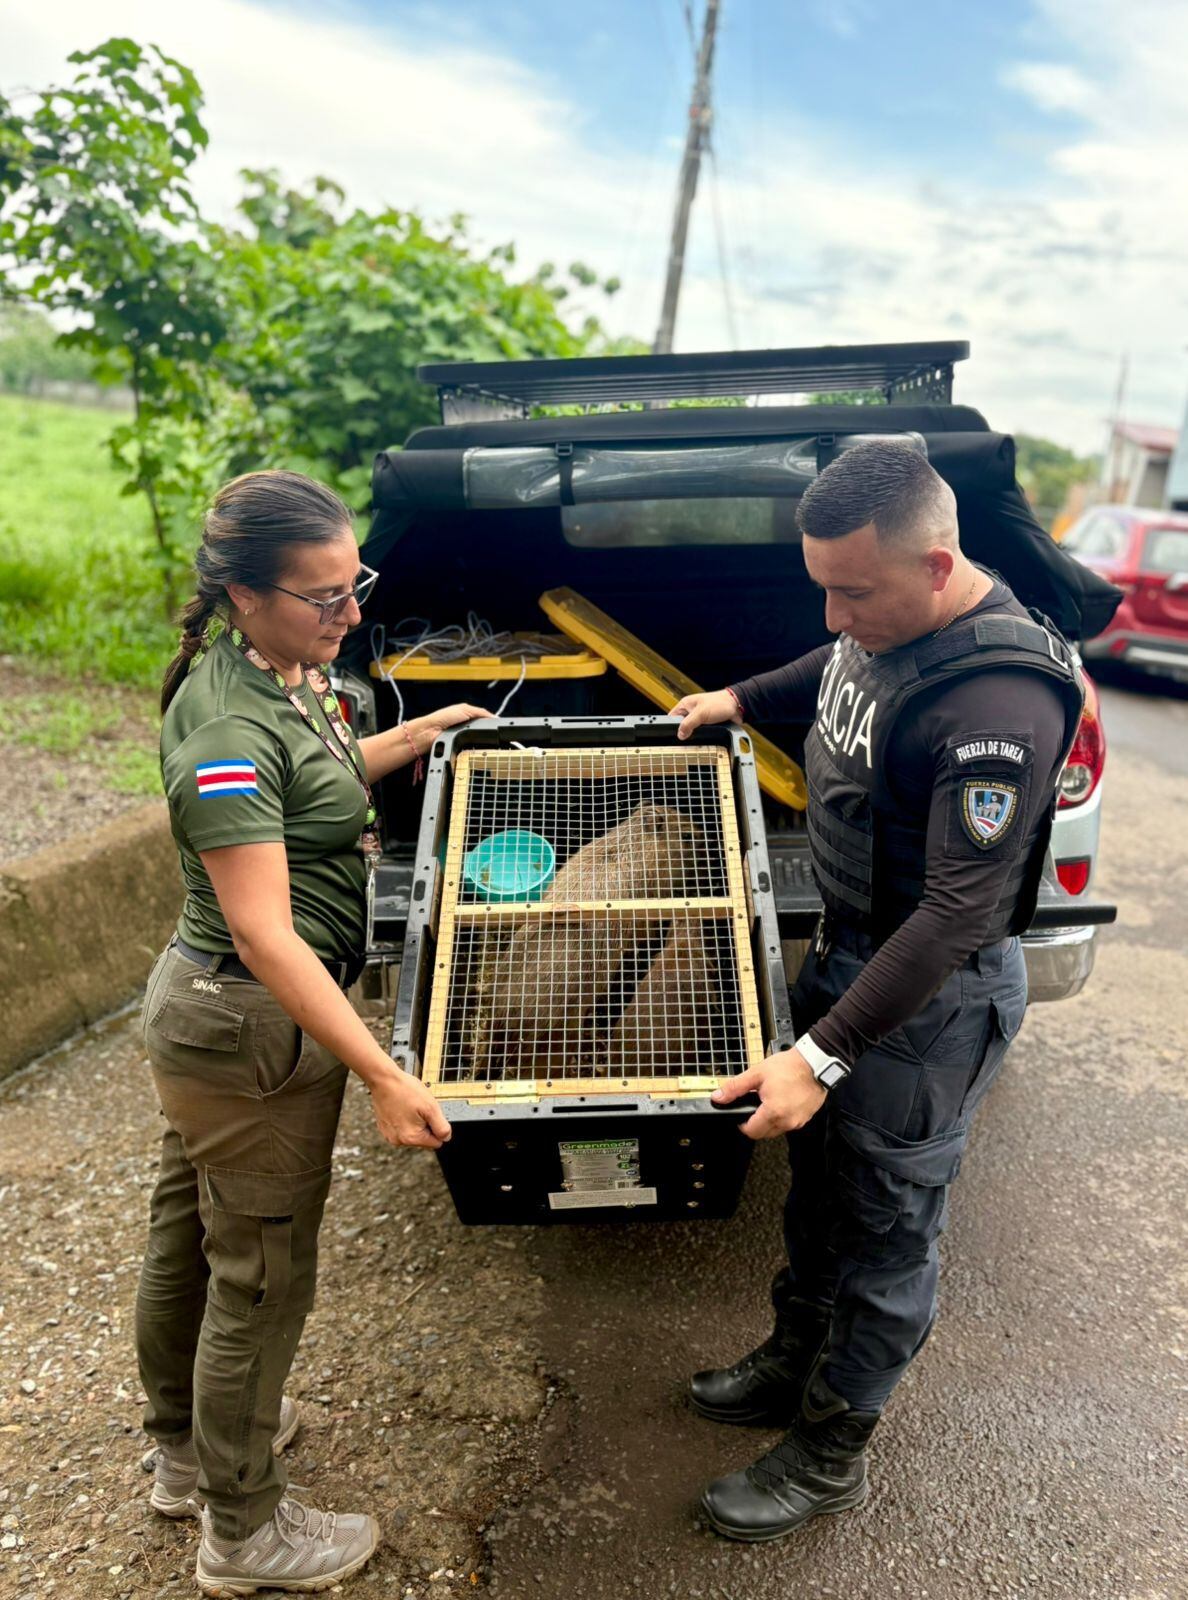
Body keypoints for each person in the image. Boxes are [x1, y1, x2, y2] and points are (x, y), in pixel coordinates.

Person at [671, 440, 1084, 1543]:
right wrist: (737, 697)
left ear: (938, 566)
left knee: (888, 1227)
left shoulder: (999, 698)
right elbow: (838, 668)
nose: (835, 609)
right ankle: (789, 1360)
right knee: (822, 1185)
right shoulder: (882, 621)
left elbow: (954, 915)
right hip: (853, 953)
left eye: (854, 589)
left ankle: (829, 1451)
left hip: (929, 996)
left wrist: (819, 1055)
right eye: (824, 584)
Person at [135, 470, 491, 1595]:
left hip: (225, 1020)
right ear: (241, 595)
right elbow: (268, 932)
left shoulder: (287, 672)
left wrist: (419, 729)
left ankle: (188, 1451)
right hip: (249, 1020)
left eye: (354, 586)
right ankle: (241, 1532)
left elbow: (322, 786)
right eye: (320, 597)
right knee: (260, 1276)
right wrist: (383, 1070)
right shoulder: (228, 726)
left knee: (194, 1230)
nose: (348, 614)